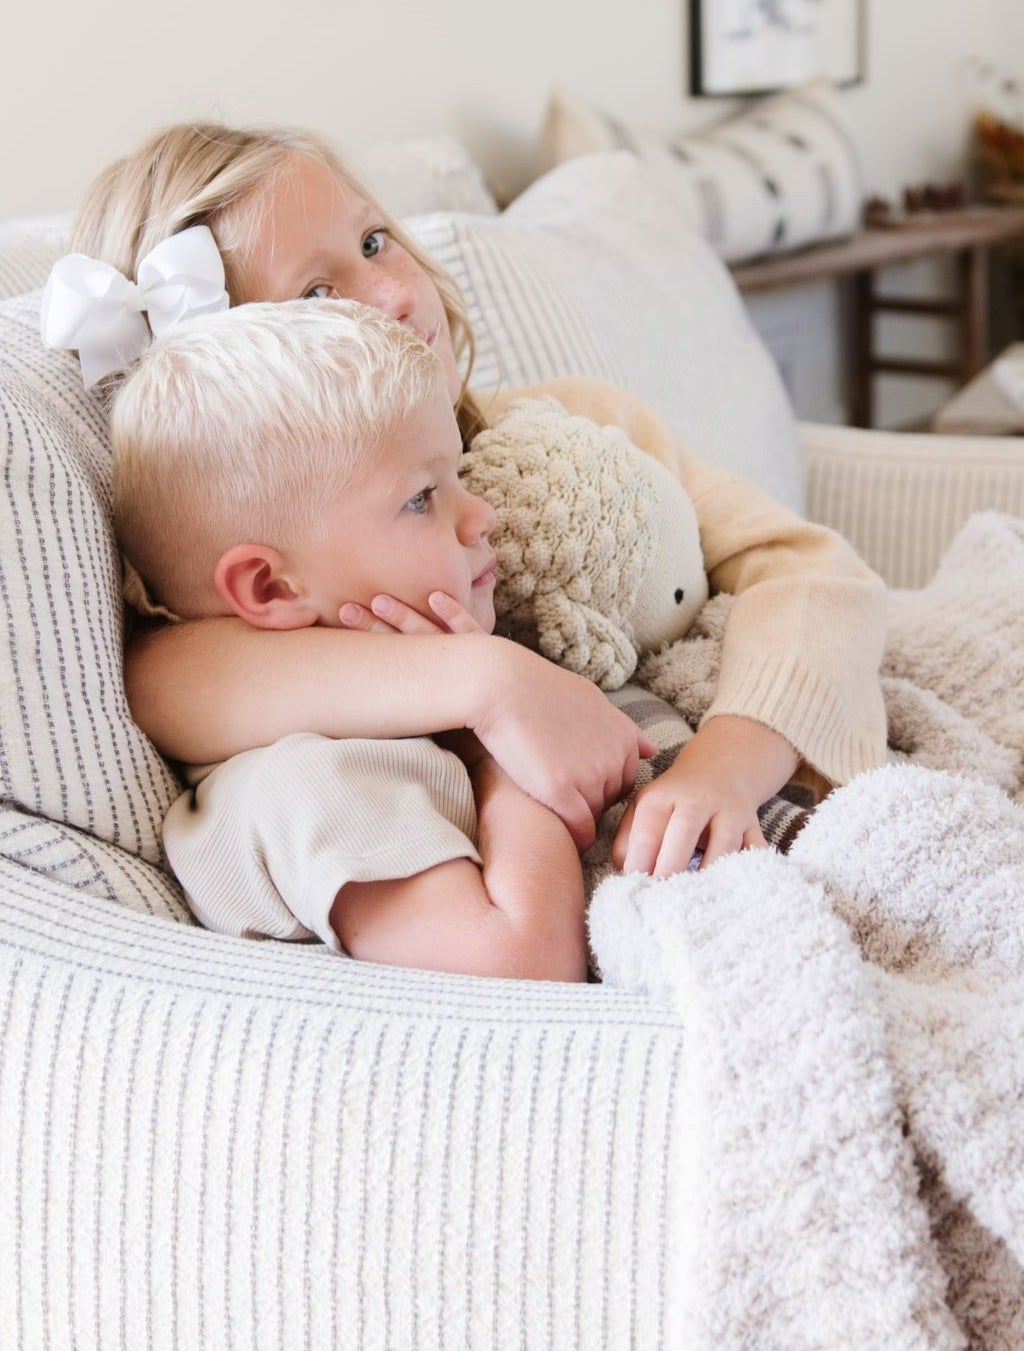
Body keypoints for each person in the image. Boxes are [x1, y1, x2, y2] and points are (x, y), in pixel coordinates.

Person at [72, 122, 889, 879]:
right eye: (317, 296)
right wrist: (489, 680)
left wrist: (728, 766)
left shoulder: (581, 422)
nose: (394, 293)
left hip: (731, 766)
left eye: (374, 240)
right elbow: (163, 676)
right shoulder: (263, 590)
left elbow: (809, 570)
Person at [112, 296, 590, 980]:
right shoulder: (307, 783)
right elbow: (526, 965)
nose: (481, 514)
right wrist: (491, 758)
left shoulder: (392, 712)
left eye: (455, 477)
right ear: (272, 589)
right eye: (422, 497)